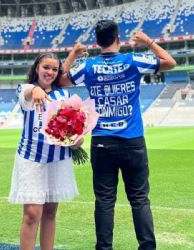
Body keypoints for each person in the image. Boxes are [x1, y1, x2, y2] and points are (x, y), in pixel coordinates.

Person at [31, 20, 176, 250]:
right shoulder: (132, 61)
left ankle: (104, 248)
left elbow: (60, 80)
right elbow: (170, 62)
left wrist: (73, 54)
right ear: (118, 39)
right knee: (139, 200)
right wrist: (148, 41)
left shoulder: (88, 66)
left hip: (102, 143)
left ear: (97, 43)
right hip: (132, 141)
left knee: (105, 202)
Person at [8, 48, 85, 250]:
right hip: (31, 159)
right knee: (33, 213)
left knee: (50, 211)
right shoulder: (25, 89)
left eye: (53, 69)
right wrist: (34, 90)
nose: (49, 72)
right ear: (36, 68)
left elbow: (72, 128)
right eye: (45, 67)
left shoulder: (64, 94)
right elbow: (25, 92)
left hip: (58, 159)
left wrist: (77, 141)